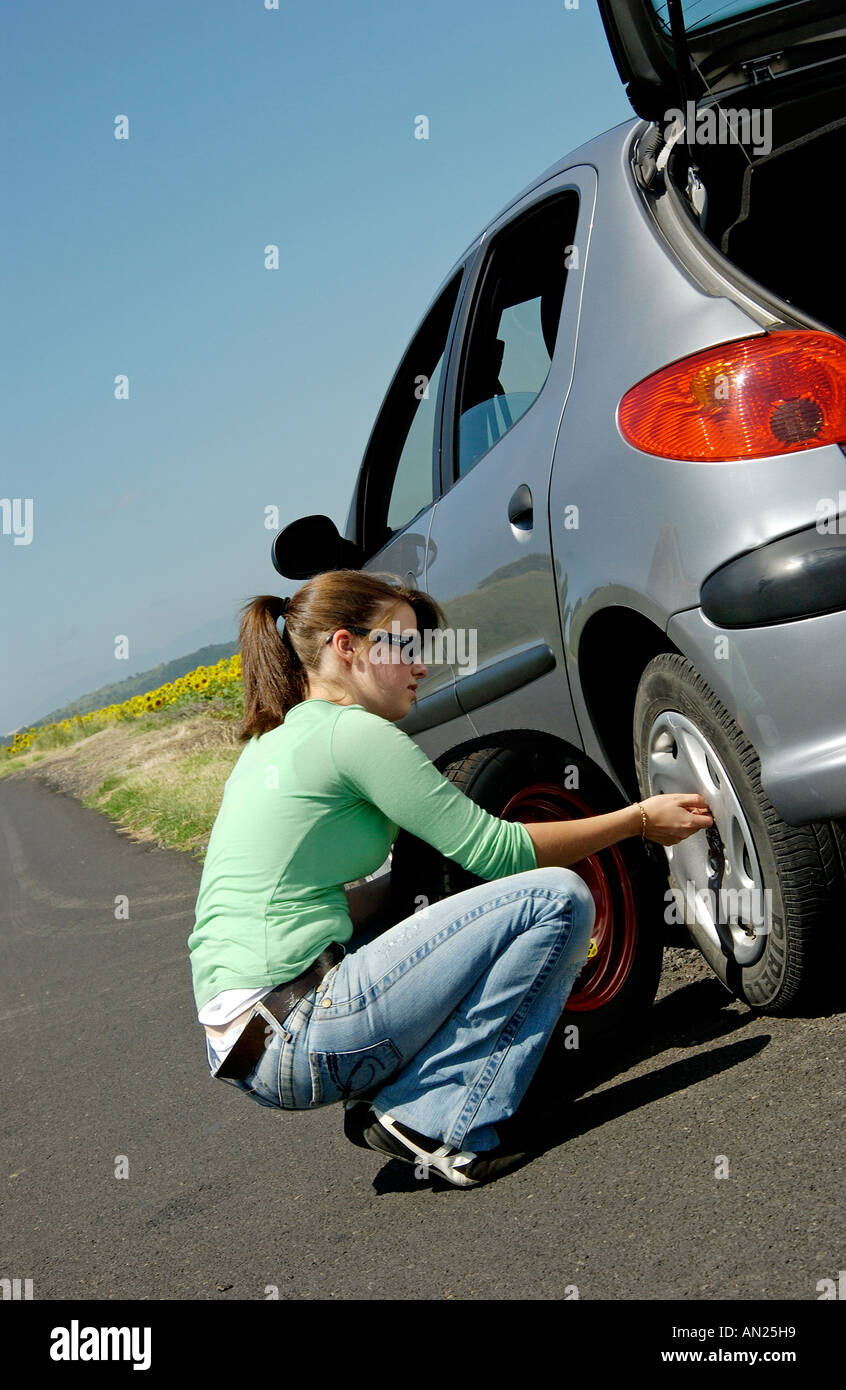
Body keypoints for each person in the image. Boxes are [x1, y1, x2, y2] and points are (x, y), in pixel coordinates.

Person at [187, 569, 713, 1188]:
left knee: (422, 909)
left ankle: (405, 1097)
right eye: (404, 646)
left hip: (253, 1048)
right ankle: (437, 1119)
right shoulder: (352, 733)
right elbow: (502, 852)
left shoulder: (272, 745)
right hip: (301, 1028)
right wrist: (637, 821)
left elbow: (333, 904)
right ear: (345, 647)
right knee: (559, 899)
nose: (421, 667)